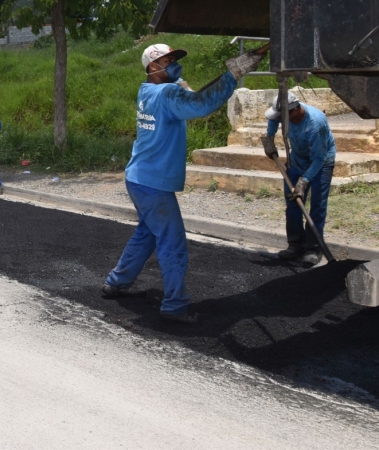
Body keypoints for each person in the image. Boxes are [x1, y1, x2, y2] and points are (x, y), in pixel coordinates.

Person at [102, 43, 267, 324]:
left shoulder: (147, 90)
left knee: (148, 233)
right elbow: (201, 104)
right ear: (153, 67)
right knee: (172, 241)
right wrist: (232, 75)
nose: (175, 63)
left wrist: (181, 85)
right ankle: (175, 305)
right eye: (168, 60)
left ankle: (116, 282)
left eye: (174, 58)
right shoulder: (167, 92)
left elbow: (187, 98)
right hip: (153, 183)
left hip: (139, 178)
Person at [263, 92, 336, 266]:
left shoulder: (316, 124)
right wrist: (270, 139)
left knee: (317, 205)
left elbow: (319, 158)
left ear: (294, 111)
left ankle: (313, 248)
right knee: (292, 203)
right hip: (297, 160)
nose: (279, 118)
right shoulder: (284, 115)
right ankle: (295, 245)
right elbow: (273, 119)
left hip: (321, 163)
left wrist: (304, 181)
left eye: (282, 116)